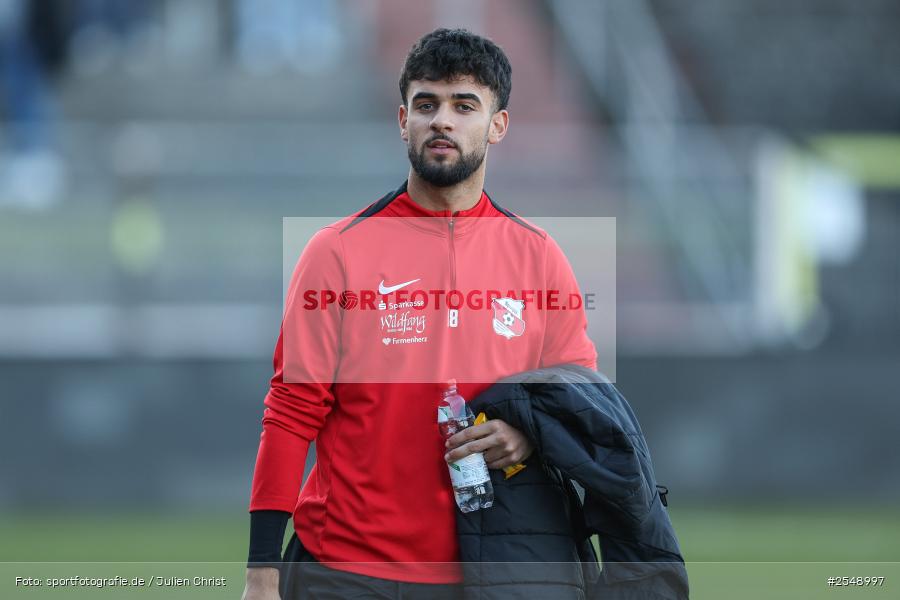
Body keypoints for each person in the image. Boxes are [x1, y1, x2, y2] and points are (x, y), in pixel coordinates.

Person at [242, 28, 597, 600]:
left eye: (464, 106)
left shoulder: (540, 257)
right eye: (427, 104)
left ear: (498, 125)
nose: (442, 121)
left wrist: (525, 436)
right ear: (403, 120)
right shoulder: (336, 252)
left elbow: (575, 397)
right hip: (344, 570)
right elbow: (289, 413)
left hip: (488, 571)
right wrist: (261, 574)